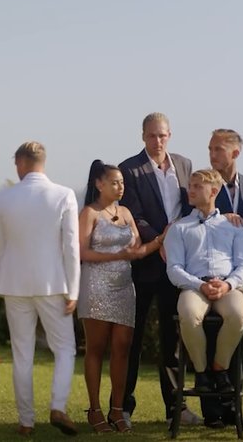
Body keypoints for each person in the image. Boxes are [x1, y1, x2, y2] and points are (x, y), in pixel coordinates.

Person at [0, 141, 80, 437]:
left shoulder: (5, 198)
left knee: (22, 354)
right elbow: (71, 248)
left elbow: (1, 248)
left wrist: (10, 273)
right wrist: (73, 290)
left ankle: (26, 422)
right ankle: (58, 406)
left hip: (14, 283)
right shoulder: (64, 194)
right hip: (53, 283)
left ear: (20, 162)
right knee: (65, 348)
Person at [118, 112, 199, 427]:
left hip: (176, 266)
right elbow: (133, 215)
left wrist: (177, 243)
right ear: (143, 136)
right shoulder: (129, 169)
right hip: (143, 265)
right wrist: (160, 240)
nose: (157, 141)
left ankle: (175, 409)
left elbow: (192, 208)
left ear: (170, 135)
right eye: (152, 135)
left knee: (172, 340)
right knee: (133, 339)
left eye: (162, 135)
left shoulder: (185, 165)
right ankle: (123, 407)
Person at [165, 169, 243, 430]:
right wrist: (200, 285)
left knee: (238, 313)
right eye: (190, 185)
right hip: (194, 287)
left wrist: (227, 284)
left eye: (196, 186)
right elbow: (174, 268)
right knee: (188, 313)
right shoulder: (179, 227)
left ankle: (219, 368)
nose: (189, 191)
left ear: (213, 191)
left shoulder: (233, 225)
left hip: (227, 287)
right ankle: (202, 373)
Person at [78, 160, 146, 433]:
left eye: (122, 183)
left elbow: (137, 246)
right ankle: (94, 410)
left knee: (122, 347)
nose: (120, 187)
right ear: (99, 184)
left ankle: (117, 409)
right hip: (96, 285)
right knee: (95, 348)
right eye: (115, 182)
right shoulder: (90, 213)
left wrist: (159, 241)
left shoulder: (126, 212)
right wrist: (117, 255)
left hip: (124, 286)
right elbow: (82, 252)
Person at [208, 129, 243, 427]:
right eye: (210, 149)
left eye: (218, 149)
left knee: (236, 342)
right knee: (211, 340)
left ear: (235, 153)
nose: (212, 154)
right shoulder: (203, 185)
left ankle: (234, 410)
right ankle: (213, 412)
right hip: (212, 281)